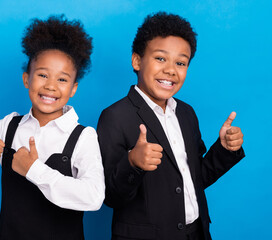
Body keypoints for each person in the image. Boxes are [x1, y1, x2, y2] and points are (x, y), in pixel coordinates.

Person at [0, 15, 105, 240]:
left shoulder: (83, 137)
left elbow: (93, 197)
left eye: (62, 79)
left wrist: (34, 170)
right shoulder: (8, 126)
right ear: (26, 79)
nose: (50, 86)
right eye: (42, 75)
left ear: (73, 88)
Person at [97, 12, 244, 240]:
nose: (171, 70)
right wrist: (132, 163)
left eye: (181, 62)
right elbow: (111, 197)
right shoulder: (115, 117)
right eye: (160, 58)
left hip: (196, 233)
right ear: (137, 61)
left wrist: (224, 150)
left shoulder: (186, 113)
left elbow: (195, 179)